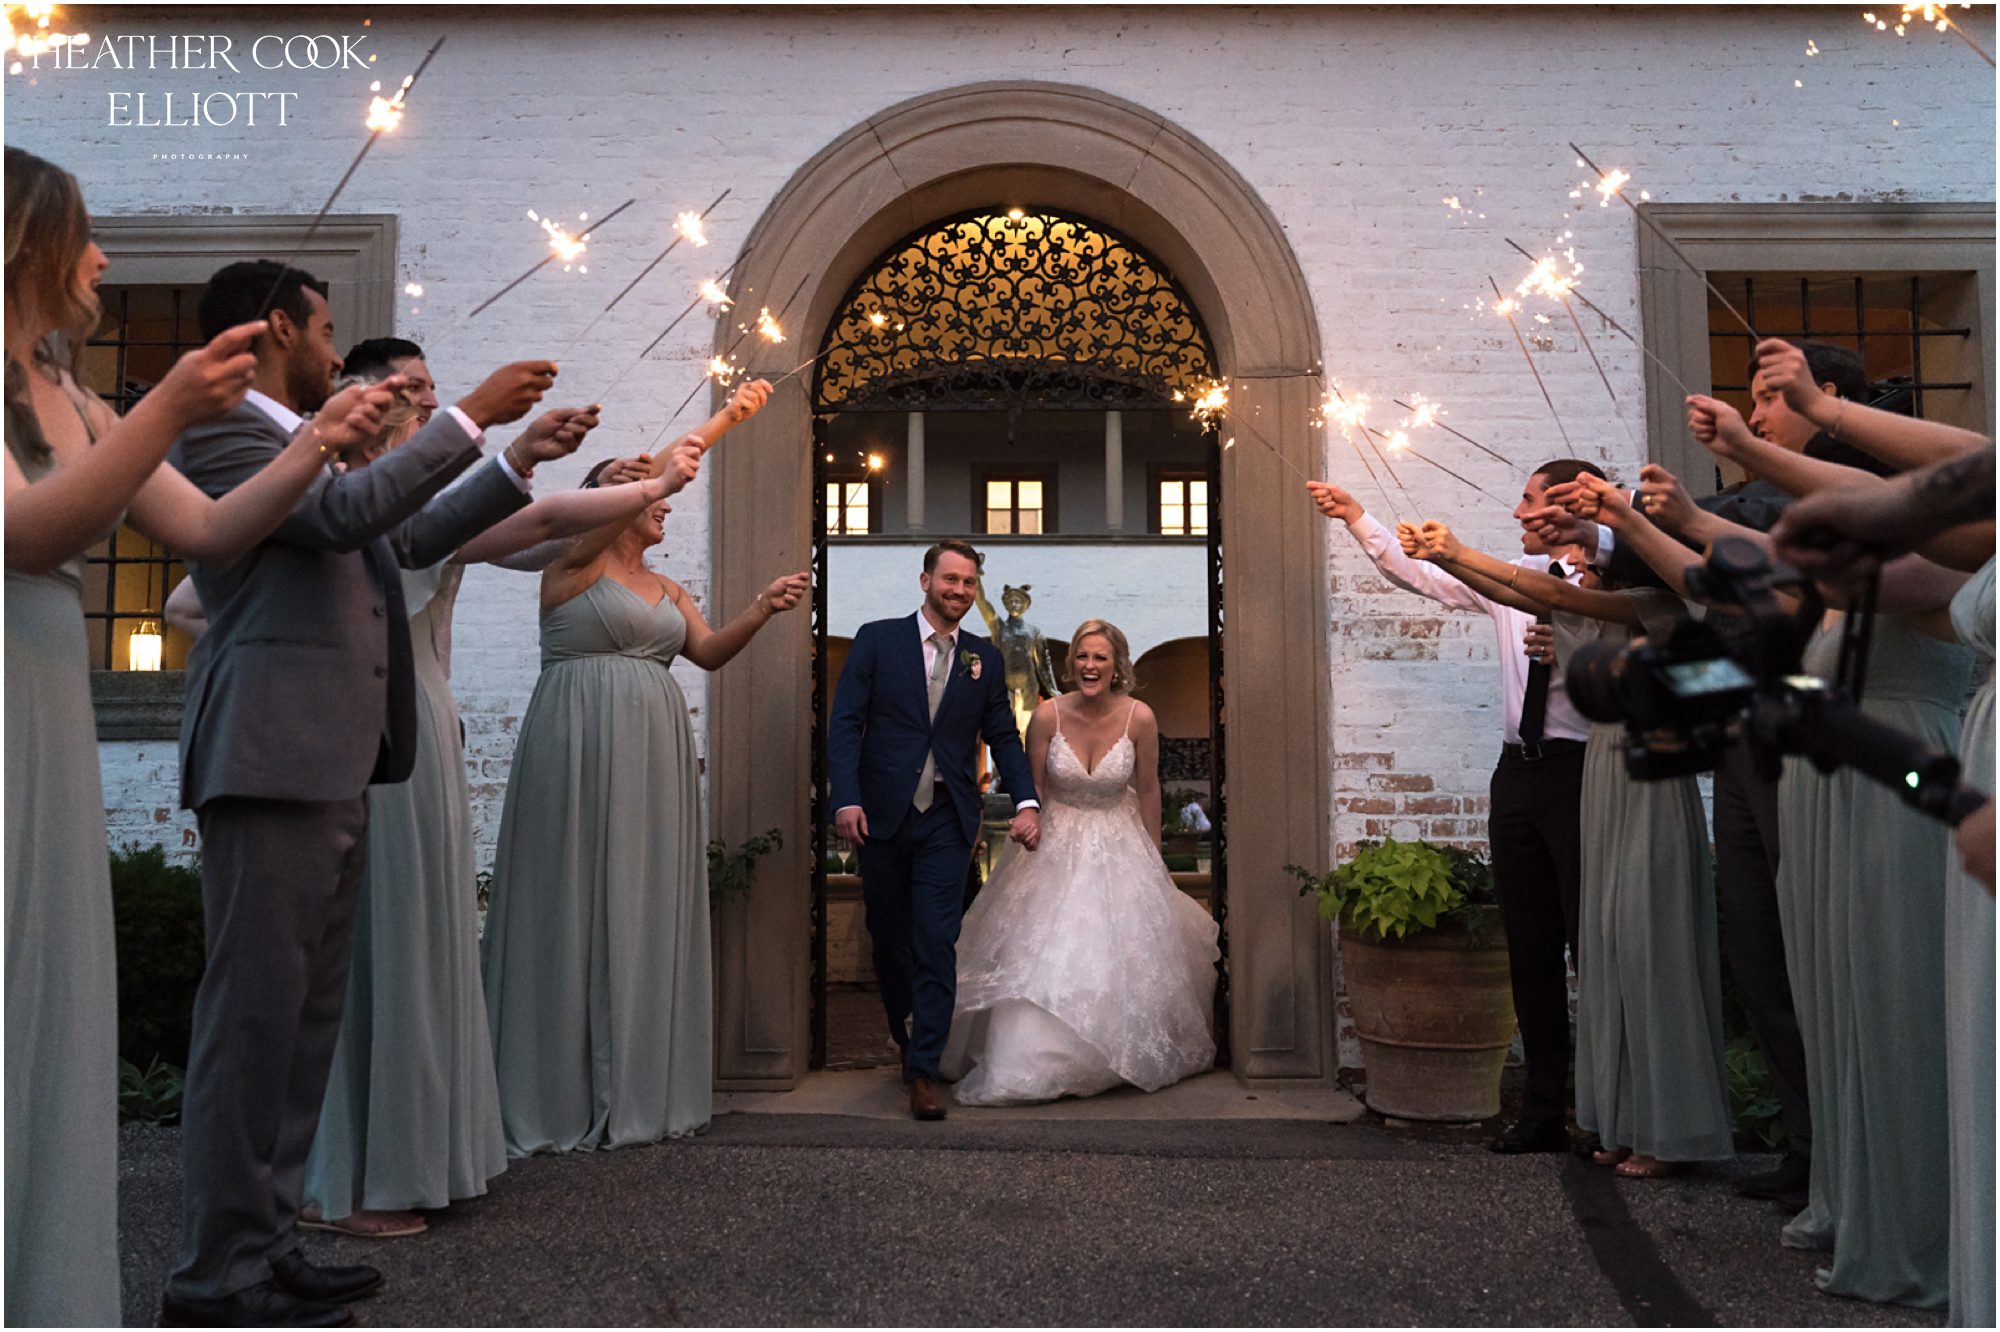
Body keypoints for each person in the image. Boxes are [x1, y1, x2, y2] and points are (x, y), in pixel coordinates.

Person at [1, 146, 400, 1329]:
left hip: (44, 686)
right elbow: (28, 534)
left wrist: (315, 442)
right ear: (28, 241)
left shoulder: (76, 395)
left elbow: (217, 533)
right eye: (88, 240)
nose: (107, 262)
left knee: (50, 974)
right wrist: (175, 403)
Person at [162, 255, 562, 1329]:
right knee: (250, 1025)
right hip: (270, 752)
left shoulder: (310, 446)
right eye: (327, 327)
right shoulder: (227, 434)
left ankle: (269, 1241)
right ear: (280, 327)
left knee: (299, 1028)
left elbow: (402, 536)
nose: (338, 350)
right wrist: (467, 415)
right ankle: (214, 1275)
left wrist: (510, 457)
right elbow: (339, 523)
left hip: (334, 756)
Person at [480, 427, 809, 1154]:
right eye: (642, 492)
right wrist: (633, 480)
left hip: (653, 749)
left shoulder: (667, 589)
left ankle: (635, 1081)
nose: (661, 505)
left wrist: (761, 607)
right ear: (610, 500)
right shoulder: (572, 562)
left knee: (641, 893)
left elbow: (709, 653)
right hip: (577, 736)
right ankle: (553, 1087)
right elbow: (580, 522)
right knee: (566, 892)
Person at [1409, 501, 1731, 1178]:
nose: (1580, 558)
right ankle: (1619, 1119)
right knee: (1610, 954)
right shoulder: (1593, 605)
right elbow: (1523, 590)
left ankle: (1667, 1132)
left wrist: (1461, 551)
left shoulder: (1652, 604)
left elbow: (1542, 589)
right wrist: (1449, 556)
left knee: (1645, 952)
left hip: (1641, 772)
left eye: (1594, 547)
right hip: (1604, 772)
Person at [1309, 465, 1595, 1154]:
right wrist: (1357, 517)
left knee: (1595, 945)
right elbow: (1425, 575)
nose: (1517, 509)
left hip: (1584, 772)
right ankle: (1543, 1111)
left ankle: (1607, 1111)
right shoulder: (1512, 578)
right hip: (1517, 774)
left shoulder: (1611, 589)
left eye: (1528, 499)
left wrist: (1581, 650)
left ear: (1562, 508)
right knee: (1529, 947)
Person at [942, 620, 1219, 1103]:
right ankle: (1033, 1059)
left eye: (1101, 658)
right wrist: (1028, 825)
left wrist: (1155, 862)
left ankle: (1113, 1054)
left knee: (1120, 949)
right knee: (1044, 948)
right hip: (1054, 843)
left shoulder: (1141, 718)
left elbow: (1150, 789)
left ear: (1117, 666)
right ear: (1070, 665)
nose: (1091, 666)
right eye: (1083, 657)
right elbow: (1033, 792)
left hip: (1120, 840)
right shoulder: (1047, 715)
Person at [828, 539, 1044, 1120]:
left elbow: (1004, 734)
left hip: (948, 819)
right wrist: (845, 799)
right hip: (881, 817)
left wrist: (1026, 800)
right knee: (890, 940)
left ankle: (925, 1068)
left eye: (968, 583)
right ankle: (906, 1040)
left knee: (935, 940)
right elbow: (846, 724)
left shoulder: (984, 658)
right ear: (925, 581)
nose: (959, 591)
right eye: (950, 580)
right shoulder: (878, 640)